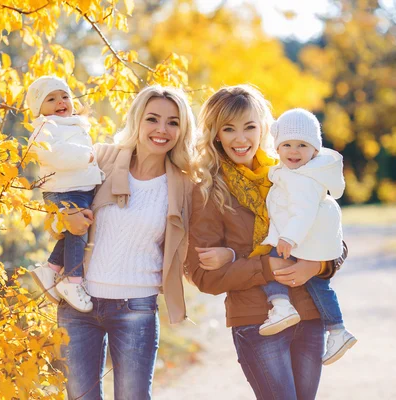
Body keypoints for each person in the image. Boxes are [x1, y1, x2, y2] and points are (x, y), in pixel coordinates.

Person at [185, 84, 347, 400]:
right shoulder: (207, 190)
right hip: (257, 323)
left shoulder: (289, 172)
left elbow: (334, 237)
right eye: (228, 129)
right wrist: (266, 267)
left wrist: (317, 264)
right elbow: (203, 275)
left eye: (249, 126)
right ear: (216, 134)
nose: (240, 138)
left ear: (263, 129)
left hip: (310, 315)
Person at [49, 85, 195, 399]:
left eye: (173, 122)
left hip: (136, 309)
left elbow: (195, 244)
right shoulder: (101, 158)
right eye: (152, 119)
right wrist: (62, 218)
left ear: (183, 130)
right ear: (137, 121)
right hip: (78, 304)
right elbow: (55, 210)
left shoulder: (184, 185)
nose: (161, 129)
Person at [258, 108, 357, 365]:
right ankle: (337, 330)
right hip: (310, 241)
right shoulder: (296, 173)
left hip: (300, 239)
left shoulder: (302, 179)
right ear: (277, 149)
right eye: (287, 145)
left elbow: (301, 213)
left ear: (315, 150)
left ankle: (280, 305)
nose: (294, 151)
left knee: (272, 259)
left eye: (302, 145)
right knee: (319, 285)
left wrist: (288, 238)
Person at [25, 76, 103, 313]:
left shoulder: (73, 124)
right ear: (39, 108)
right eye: (51, 99)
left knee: (73, 232)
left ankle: (51, 268)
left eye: (64, 96)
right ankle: (72, 280)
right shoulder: (45, 128)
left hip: (76, 188)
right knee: (78, 230)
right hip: (63, 190)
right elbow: (53, 154)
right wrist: (86, 156)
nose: (60, 102)